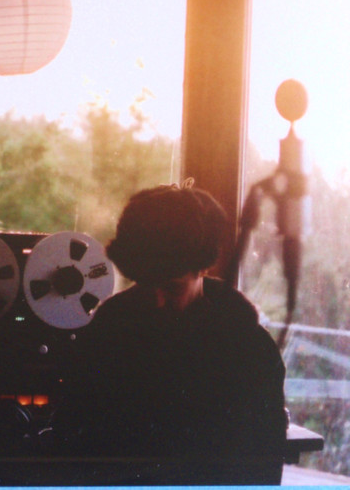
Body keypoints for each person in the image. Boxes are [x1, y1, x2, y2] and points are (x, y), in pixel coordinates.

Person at [56, 184, 288, 484]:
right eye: (145, 283)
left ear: (203, 269)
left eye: (172, 287)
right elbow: (73, 442)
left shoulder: (249, 350)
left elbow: (262, 464)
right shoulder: (104, 337)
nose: (157, 300)